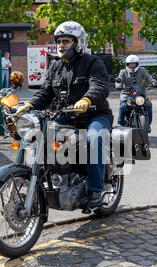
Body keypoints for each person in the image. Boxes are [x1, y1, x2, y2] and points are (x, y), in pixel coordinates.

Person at [16, 21, 113, 208]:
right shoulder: (56, 66)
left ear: (78, 43)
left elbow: (100, 85)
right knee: (39, 136)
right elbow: (45, 92)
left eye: (66, 41)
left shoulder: (93, 62)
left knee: (94, 138)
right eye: (59, 41)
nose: (61, 45)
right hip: (67, 116)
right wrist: (28, 105)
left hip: (95, 115)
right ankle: (47, 177)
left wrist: (87, 100)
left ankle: (94, 190)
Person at [116, 54, 157, 128]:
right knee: (123, 107)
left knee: (148, 105)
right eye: (130, 64)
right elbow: (119, 80)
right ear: (127, 64)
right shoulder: (123, 72)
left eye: (134, 63)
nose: (132, 65)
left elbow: (148, 77)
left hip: (140, 93)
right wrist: (118, 85)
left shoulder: (142, 70)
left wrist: (153, 81)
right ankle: (120, 124)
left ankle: (148, 124)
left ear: (137, 64)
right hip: (127, 94)